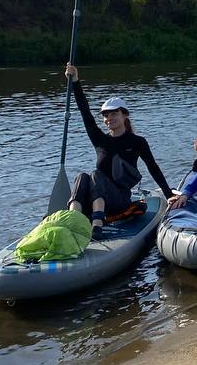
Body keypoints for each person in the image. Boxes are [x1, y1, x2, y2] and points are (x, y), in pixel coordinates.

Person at [63, 63, 173, 236]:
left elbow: (153, 168)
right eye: (106, 115)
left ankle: (97, 224)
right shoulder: (100, 140)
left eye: (114, 114)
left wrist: (168, 195)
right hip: (96, 201)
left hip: (119, 201)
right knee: (81, 177)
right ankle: (73, 221)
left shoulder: (137, 142)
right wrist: (75, 81)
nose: (109, 118)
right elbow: (85, 112)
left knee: (95, 174)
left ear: (124, 115)